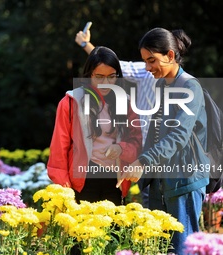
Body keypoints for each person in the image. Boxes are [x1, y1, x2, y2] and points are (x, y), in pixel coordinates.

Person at [118, 27, 209, 255]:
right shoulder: (160, 86)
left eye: (152, 61)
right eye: (144, 62)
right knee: (161, 249)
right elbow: (154, 132)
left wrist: (143, 162)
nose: (147, 68)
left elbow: (178, 135)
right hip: (160, 184)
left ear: (170, 55)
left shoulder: (190, 87)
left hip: (184, 182)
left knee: (182, 249)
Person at [47, 46, 142, 206]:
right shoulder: (71, 102)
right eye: (99, 77)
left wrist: (121, 148)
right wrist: (64, 189)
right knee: (85, 230)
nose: (106, 83)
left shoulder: (126, 103)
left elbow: (137, 141)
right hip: (82, 180)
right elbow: (59, 149)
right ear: (89, 75)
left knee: (113, 229)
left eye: (111, 77)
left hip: (115, 180)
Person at [75, 28, 154, 207]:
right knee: (149, 198)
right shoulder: (146, 71)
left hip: (156, 150)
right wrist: (86, 44)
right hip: (143, 148)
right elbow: (110, 65)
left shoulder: (183, 84)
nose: (150, 65)